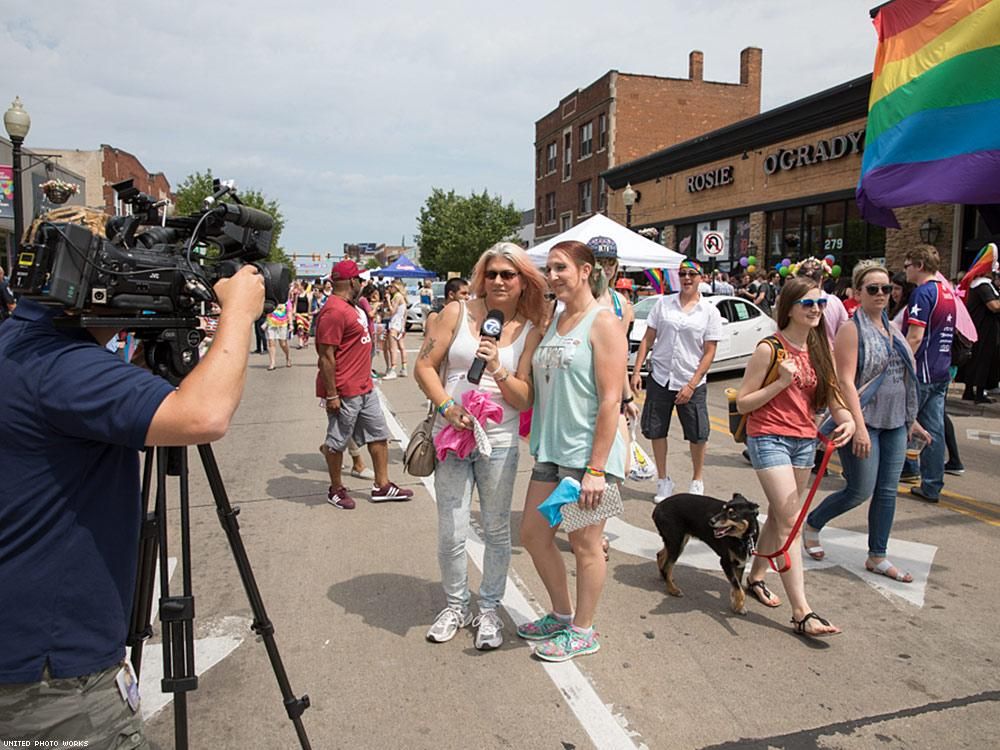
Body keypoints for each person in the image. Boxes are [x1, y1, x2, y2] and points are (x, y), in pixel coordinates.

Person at [0, 265, 264, 745]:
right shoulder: (61, 367)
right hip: (52, 678)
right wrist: (240, 313)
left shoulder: (18, 344)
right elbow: (203, 415)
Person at [415, 243, 546, 650]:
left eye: (508, 274)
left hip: (499, 441)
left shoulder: (530, 327)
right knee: (451, 529)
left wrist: (497, 367)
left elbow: (524, 398)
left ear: (522, 280)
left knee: (494, 528)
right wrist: (447, 405)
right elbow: (423, 365)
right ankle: (456, 605)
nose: (499, 281)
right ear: (481, 278)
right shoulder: (457, 313)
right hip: (452, 435)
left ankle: (489, 606)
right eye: (492, 274)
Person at [517, 240, 628, 662]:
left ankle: (583, 630)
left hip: (587, 460)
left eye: (561, 267)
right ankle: (562, 614)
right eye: (550, 268)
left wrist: (596, 470)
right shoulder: (555, 320)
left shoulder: (603, 322)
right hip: (551, 452)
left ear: (586, 270)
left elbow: (610, 400)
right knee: (532, 534)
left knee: (585, 544)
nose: (553, 275)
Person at [736, 275, 855, 637]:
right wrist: (780, 383)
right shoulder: (769, 349)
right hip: (768, 438)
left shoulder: (821, 350)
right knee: (791, 522)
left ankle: (756, 576)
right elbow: (743, 402)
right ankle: (802, 611)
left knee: (779, 516)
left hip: (805, 442)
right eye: (809, 304)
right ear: (789, 308)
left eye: (821, 303)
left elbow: (833, 397)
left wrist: (847, 418)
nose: (817, 310)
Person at [803, 262, 926, 583]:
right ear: (857, 293)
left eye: (886, 289)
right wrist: (857, 426)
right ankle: (814, 522)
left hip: (896, 421)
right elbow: (845, 382)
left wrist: (912, 421)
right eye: (873, 289)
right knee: (860, 490)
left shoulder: (893, 329)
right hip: (863, 421)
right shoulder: (851, 329)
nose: (881, 294)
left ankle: (878, 556)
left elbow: (901, 378)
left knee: (887, 492)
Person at [316, 260, 414, 509]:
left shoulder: (352, 307)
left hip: (365, 386)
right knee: (337, 442)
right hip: (344, 389)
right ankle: (336, 489)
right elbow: (326, 356)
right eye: (360, 279)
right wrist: (331, 394)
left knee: (378, 435)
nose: (364, 283)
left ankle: (383, 486)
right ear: (352, 282)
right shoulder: (334, 311)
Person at [630, 259, 722, 500]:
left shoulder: (709, 311)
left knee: (698, 433)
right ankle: (663, 481)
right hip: (661, 377)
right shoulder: (663, 304)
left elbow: (709, 351)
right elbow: (648, 339)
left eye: (692, 274)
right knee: (656, 430)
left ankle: (697, 480)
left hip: (690, 380)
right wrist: (638, 371)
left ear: (701, 278)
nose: (687, 278)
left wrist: (692, 384)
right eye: (683, 274)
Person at [900, 245, 957, 504]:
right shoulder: (948, 292)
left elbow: (915, 336)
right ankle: (932, 484)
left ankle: (900, 471)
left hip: (921, 369)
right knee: (932, 428)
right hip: (941, 368)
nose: (905, 269)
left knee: (901, 422)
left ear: (920, 265)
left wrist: (899, 364)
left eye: (907, 264)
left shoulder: (922, 293)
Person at [958, 256, 1000, 404]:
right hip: (984, 329)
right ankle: (978, 393)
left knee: (976, 359)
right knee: (982, 359)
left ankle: (970, 391)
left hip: (979, 327)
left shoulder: (978, 285)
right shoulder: (983, 285)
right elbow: (993, 306)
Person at [790, 257, 849, 341]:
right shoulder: (835, 302)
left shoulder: (794, 302)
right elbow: (845, 333)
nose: (816, 309)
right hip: (830, 351)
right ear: (822, 278)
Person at [383, 279, 409, 379]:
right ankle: (404, 367)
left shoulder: (397, 297)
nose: (390, 289)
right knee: (401, 347)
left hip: (394, 324)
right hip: (400, 325)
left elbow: (392, 311)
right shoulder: (402, 298)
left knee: (392, 348)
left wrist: (389, 300)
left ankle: (392, 369)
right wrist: (403, 326)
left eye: (391, 287)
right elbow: (405, 313)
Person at [265, 301, 292, 370]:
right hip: (271, 323)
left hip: (282, 324)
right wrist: (266, 323)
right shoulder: (271, 300)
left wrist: (291, 324)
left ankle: (288, 357)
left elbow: (289, 313)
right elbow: (267, 311)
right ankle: (272, 363)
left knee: (283, 344)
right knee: (271, 343)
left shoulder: (287, 302)